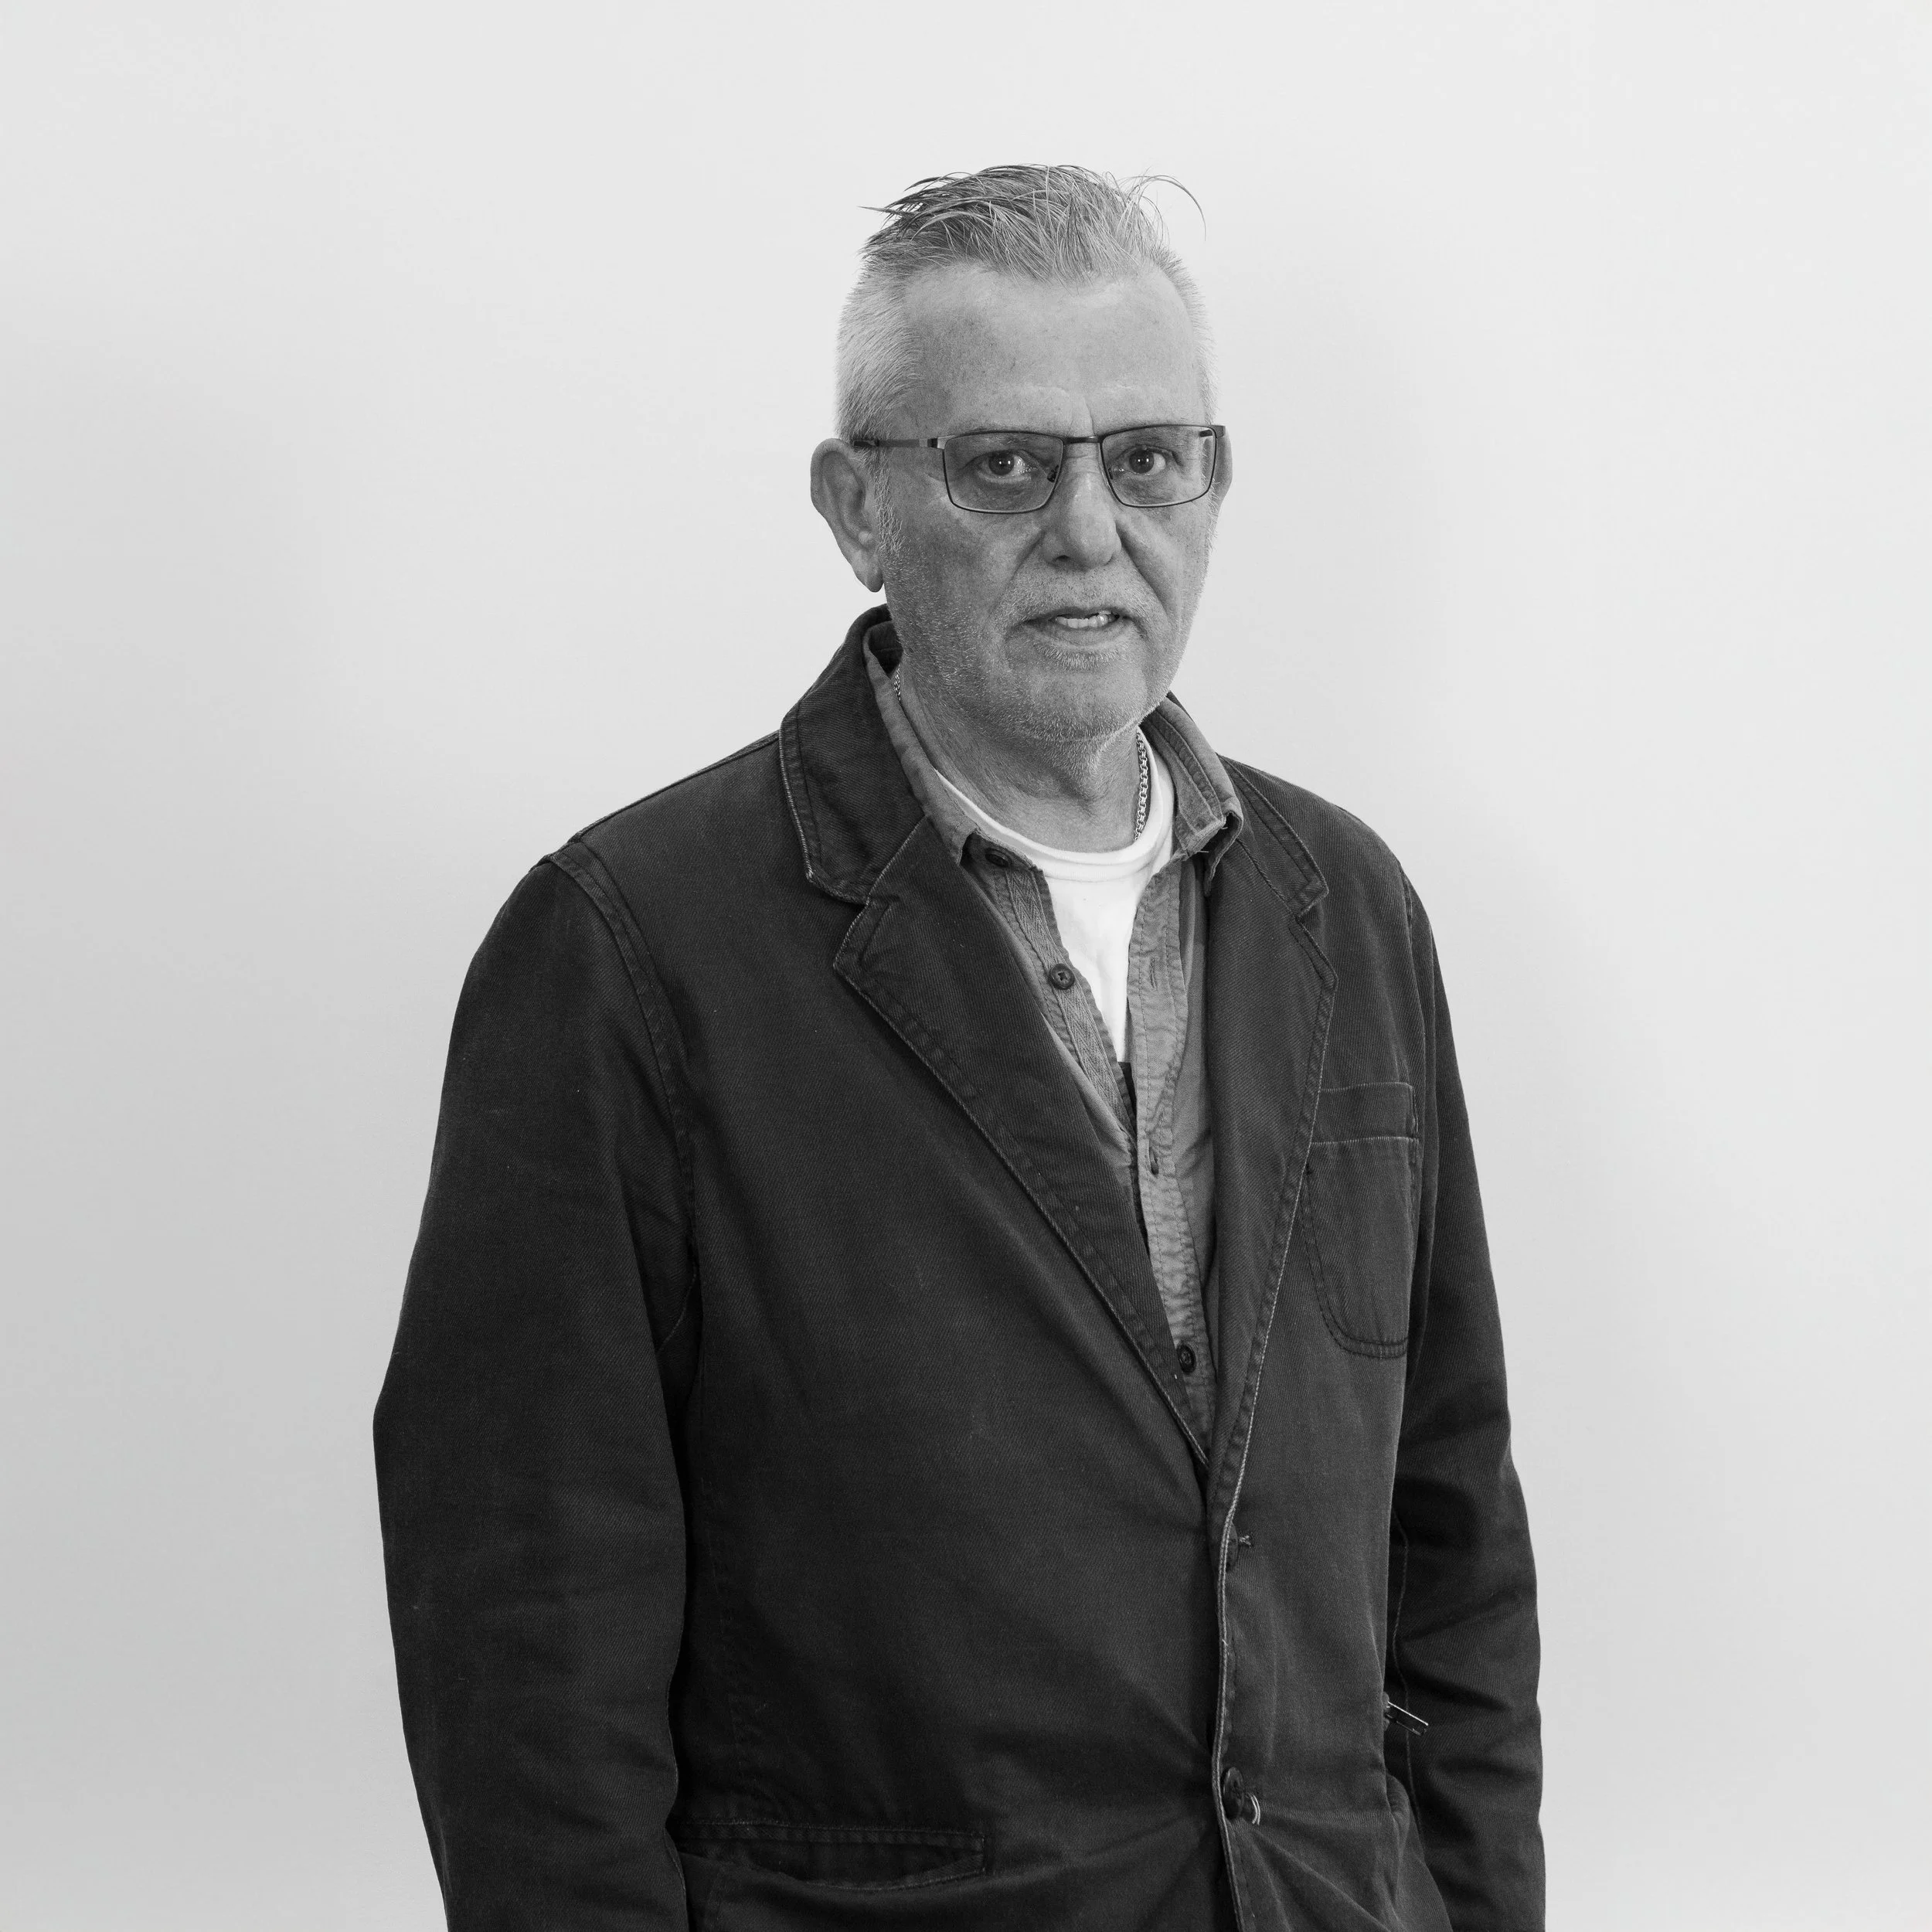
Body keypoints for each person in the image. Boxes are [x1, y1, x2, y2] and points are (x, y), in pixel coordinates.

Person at [375, 164, 1543, 1932]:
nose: (1090, 527)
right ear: (855, 507)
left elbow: (1447, 1541)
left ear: (1210, 484)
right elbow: (526, 1635)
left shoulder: (1341, 906)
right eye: (1005, 465)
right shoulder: (633, 946)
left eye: (1147, 457)